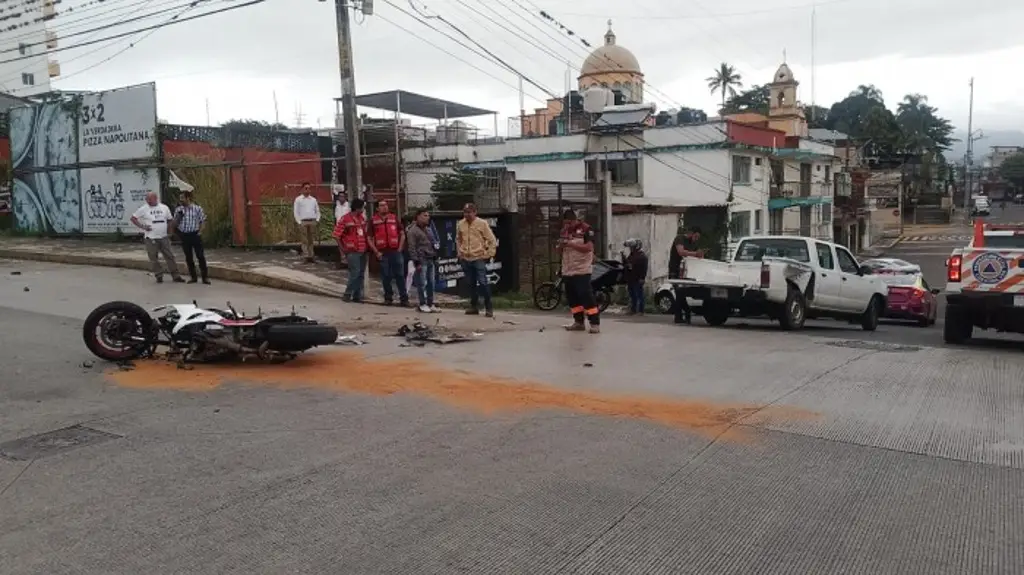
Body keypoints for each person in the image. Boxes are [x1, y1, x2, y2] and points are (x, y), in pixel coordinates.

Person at [559, 209, 600, 334]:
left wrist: (571, 244)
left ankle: (594, 323)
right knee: (573, 298)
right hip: (568, 269)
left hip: (582, 269)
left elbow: (589, 248)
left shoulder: (586, 229)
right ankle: (578, 322)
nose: (567, 226)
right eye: (565, 223)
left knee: (586, 296)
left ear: (574, 220)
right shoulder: (564, 231)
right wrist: (560, 245)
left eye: (569, 223)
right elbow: (560, 251)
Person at [130, 192, 185, 284]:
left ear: (155, 198)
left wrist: (170, 232)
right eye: (147, 200)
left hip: (163, 236)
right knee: (153, 258)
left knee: (170, 256)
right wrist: (143, 227)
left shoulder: (164, 208)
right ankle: (159, 275)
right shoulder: (144, 209)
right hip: (151, 237)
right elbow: (133, 218)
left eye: (150, 200)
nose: (148, 202)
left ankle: (176, 276)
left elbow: (170, 220)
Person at [456, 203, 497, 317]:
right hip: (465, 257)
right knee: (470, 283)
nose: (467, 214)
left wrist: (489, 254)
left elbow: (491, 240)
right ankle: (474, 306)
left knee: (483, 283)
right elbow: (458, 239)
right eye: (465, 212)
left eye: (469, 212)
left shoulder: (482, 223)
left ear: (475, 212)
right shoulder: (461, 224)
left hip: (478, 257)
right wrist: (459, 252)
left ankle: (488, 307)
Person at [368, 200, 409, 307]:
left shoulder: (394, 218)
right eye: (382, 206)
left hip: (395, 251)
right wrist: (376, 252)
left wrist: (400, 248)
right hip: (382, 253)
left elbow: (402, 234)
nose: (384, 207)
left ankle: (404, 299)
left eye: (386, 205)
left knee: (400, 275)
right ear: (377, 208)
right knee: (386, 276)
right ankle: (388, 298)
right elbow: (369, 238)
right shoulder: (373, 221)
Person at [334, 197, 368, 302]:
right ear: (357, 208)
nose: (363, 210)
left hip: (363, 250)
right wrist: (343, 250)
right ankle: (347, 294)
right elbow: (336, 235)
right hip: (352, 251)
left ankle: (357, 296)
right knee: (355, 273)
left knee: (361, 274)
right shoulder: (345, 219)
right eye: (362, 208)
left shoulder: (361, 219)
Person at [407, 208, 441, 313]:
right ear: (418, 216)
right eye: (424, 215)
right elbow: (411, 248)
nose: (427, 217)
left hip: (430, 258)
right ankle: (422, 303)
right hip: (421, 260)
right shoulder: (413, 230)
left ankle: (431, 303)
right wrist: (416, 262)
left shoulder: (429, 229)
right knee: (422, 283)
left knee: (431, 282)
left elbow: (433, 243)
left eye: (428, 215)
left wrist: (435, 254)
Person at [668, 226, 704, 324]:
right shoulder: (680, 239)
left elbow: (697, 254)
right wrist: (695, 254)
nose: (696, 239)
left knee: (681, 294)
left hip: (685, 271)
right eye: (695, 236)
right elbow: (681, 252)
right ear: (691, 233)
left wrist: (700, 254)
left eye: (698, 238)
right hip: (675, 270)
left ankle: (682, 315)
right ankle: (682, 314)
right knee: (679, 293)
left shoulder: (693, 244)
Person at [173, 191, 210, 285]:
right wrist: (179, 217)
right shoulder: (178, 210)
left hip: (195, 234)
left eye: (182, 198)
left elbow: (202, 221)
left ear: (188, 198)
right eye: (180, 198)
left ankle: (205, 277)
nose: (181, 200)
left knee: (200, 256)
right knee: (188, 257)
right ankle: (193, 277)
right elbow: (175, 224)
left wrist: (200, 231)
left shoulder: (197, 209)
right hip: (185, 235)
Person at [293, 182, 320, 263]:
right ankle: (306, 256)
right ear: (302, 189)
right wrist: (299, 222)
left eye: (309, 188)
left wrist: (317, 219)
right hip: (303, 221)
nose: (308, 190)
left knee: (311, 240)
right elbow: (296, 211)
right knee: (304, 240)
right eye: (306, 188)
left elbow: (317, 210)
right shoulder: (298, 199)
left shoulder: (313, 200)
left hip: (312, 221)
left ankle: (311, 256)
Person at [622, 238, 648, 315]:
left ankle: (641, 310)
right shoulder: (632, 255)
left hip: (638, 278)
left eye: (632, 247)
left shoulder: (642, 256)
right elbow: (627, 264)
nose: (631, 248)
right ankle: (633, 309)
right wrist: (623, 258)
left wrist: (642, 278)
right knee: (632, 295)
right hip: (631, 278)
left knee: (639, 294)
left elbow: (644, 269)